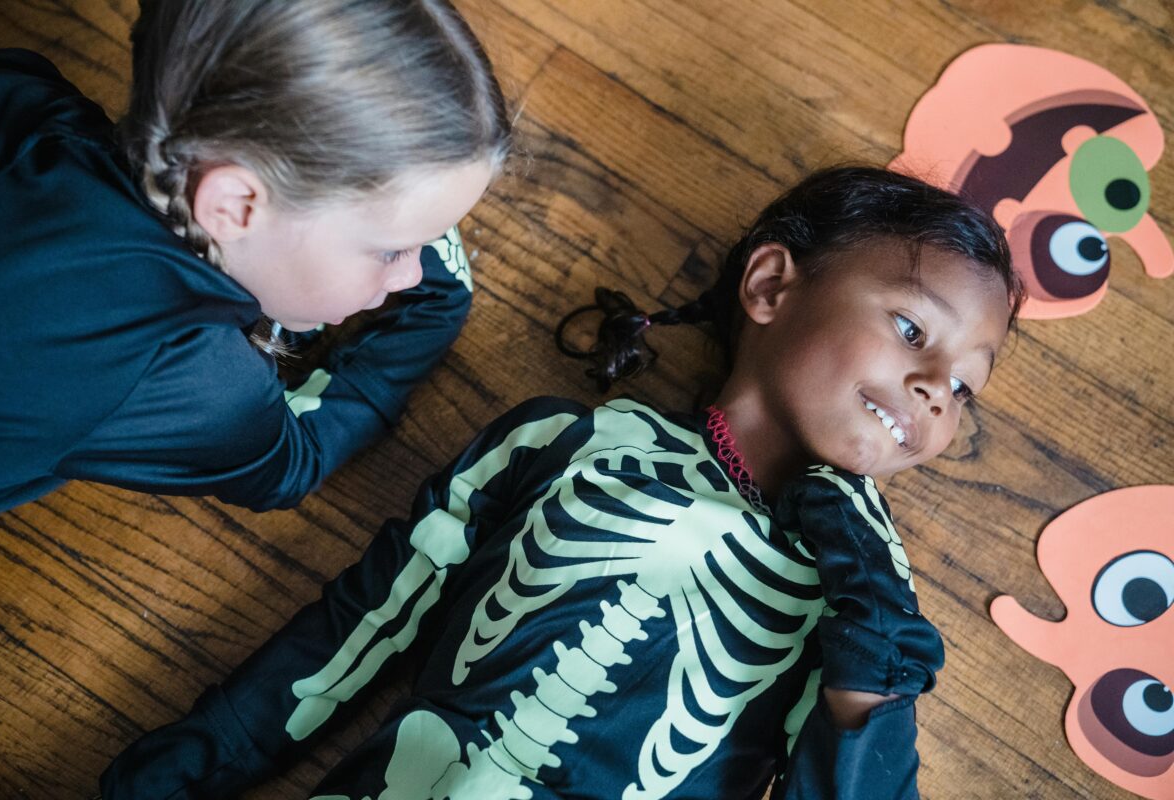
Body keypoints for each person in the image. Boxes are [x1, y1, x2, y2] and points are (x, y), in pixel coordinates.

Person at [100, 167, 1024, 799]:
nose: (934, 391)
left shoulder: (857, 609)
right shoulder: (565, 441)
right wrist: (182, 769)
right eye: (913, 330)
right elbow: (365, 622)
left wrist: (875, 619)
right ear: (773, 286)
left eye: (963, 390)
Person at [0, 0, 510, 519]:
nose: (412, 273)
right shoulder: (195, 383)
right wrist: (437, 311)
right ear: (232, 206)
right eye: (393, 249)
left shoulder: (17, 86)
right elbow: (292, 464)